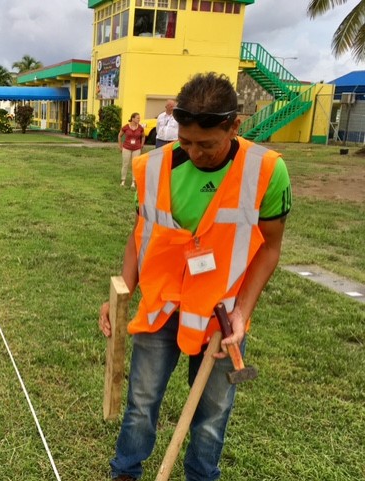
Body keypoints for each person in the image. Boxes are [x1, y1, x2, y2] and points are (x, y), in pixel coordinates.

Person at [99, 72, 291, 481]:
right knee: (142, 401)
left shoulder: (267, 172)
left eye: (207, 144)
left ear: (234, 126)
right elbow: (141, 233)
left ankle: (201, 477)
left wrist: (242, 312)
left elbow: (270, 247)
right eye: (185, 141)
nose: (194, 153)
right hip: (161, 305)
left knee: (212, 413)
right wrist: (122, 292)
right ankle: (125, 472)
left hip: (220, 316)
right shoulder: (152, 167)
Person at [118, 113, 146, 189]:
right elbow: (120, 135)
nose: (139, 120)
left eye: (139, 118)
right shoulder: (126, 127)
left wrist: (142, 144)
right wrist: (120, 145)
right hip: (126, 147)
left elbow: (143, 136)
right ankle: (123, 180)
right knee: (125, 164)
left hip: (136, 148)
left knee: (135, 165)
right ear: (132, 119)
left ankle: (133, 181)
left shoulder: (140, 128)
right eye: (137, 118)